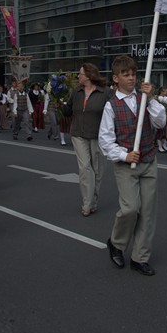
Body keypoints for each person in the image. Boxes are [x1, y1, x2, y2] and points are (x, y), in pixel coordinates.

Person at [100, 55, 166, 276]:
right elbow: (105, 141)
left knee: (147, 213)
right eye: (125, 75)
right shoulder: (111, 106)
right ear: (116, 78)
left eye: (133, 74)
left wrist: (151, 97)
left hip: (148, 160)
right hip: (126, 164)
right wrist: (124, 155)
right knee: (130, 209)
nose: (131, 78)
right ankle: (117, 243)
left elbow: (160, 122)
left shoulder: (144, 98)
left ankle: (140, 257)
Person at [63, 63, 111, 217]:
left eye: (80, 74)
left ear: (89, 76)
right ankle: (87, 203)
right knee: (85, 168)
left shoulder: (106, 93)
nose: (78, 76)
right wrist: (60, 103)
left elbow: (113, 114)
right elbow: (68, 111)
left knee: (97, 171)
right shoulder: (76, 92)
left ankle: (93, 202)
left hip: (98, 135)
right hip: (78, 133)